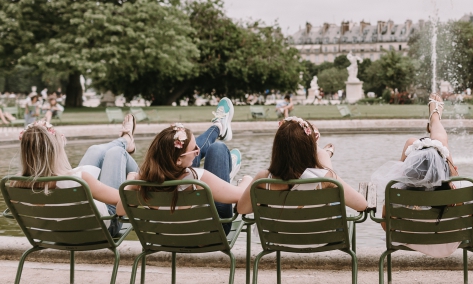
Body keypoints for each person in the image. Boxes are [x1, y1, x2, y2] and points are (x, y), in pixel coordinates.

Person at [118, 98, 250, 233]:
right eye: (195, 149)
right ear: (178, 161)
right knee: (218, 148)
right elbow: (242, 195)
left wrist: (131, 180)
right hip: (210, 237)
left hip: (165, 239)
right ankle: (224, 167)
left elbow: (120, 210)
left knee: (200, 158)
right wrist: (247, 180)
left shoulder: (143, 179)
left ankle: (218, 127)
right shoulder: (199, 177)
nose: (198, 151)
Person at [371, 93, 467, 258]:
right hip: (447, 242)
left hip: (408, 238)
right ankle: (435, 122)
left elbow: (386, 225)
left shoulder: (395, 194)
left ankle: (435, 126)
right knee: (440, 146)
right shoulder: (457, 195)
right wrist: (452, 182)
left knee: (416, 143)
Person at [12, 115, 138, 235]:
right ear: (55, 151)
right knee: (116, 153)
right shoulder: (80, 180)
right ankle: (126, 140)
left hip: (57, 232)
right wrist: (130, 180)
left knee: (94, 150)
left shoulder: (15, 184)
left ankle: (126, 140)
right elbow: (123, 201)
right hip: (102, 227)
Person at [236, 116, 367, 216]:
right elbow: (361, 205)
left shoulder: (263, 178)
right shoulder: (327, 178)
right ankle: (323, 153)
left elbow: (242, 209)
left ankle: (324, 154)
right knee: (328, 186)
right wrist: (319, 154)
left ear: (277, 148)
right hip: (322, 238)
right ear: (310, 150)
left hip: (277, 240)